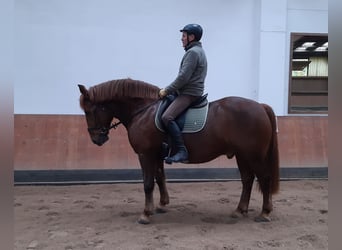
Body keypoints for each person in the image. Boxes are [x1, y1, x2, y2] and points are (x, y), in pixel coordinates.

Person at [159, 23, 208, 164]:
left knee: (167, 117)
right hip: (189, 91)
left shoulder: (192, 53)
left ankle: (182, 151)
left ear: (191, 37)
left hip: (189, 94)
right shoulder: (198, 50)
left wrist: (166, 90)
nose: (182, 39)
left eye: (184, 35)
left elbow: (183, 78)